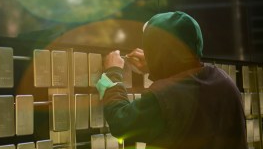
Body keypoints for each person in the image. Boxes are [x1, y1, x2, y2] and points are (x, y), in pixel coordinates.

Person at [96, 11, 247, 149]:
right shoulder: (223, 80)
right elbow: (185, 85)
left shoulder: (165, 96)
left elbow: (122, 124)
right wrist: (156, 65)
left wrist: (113, 74)